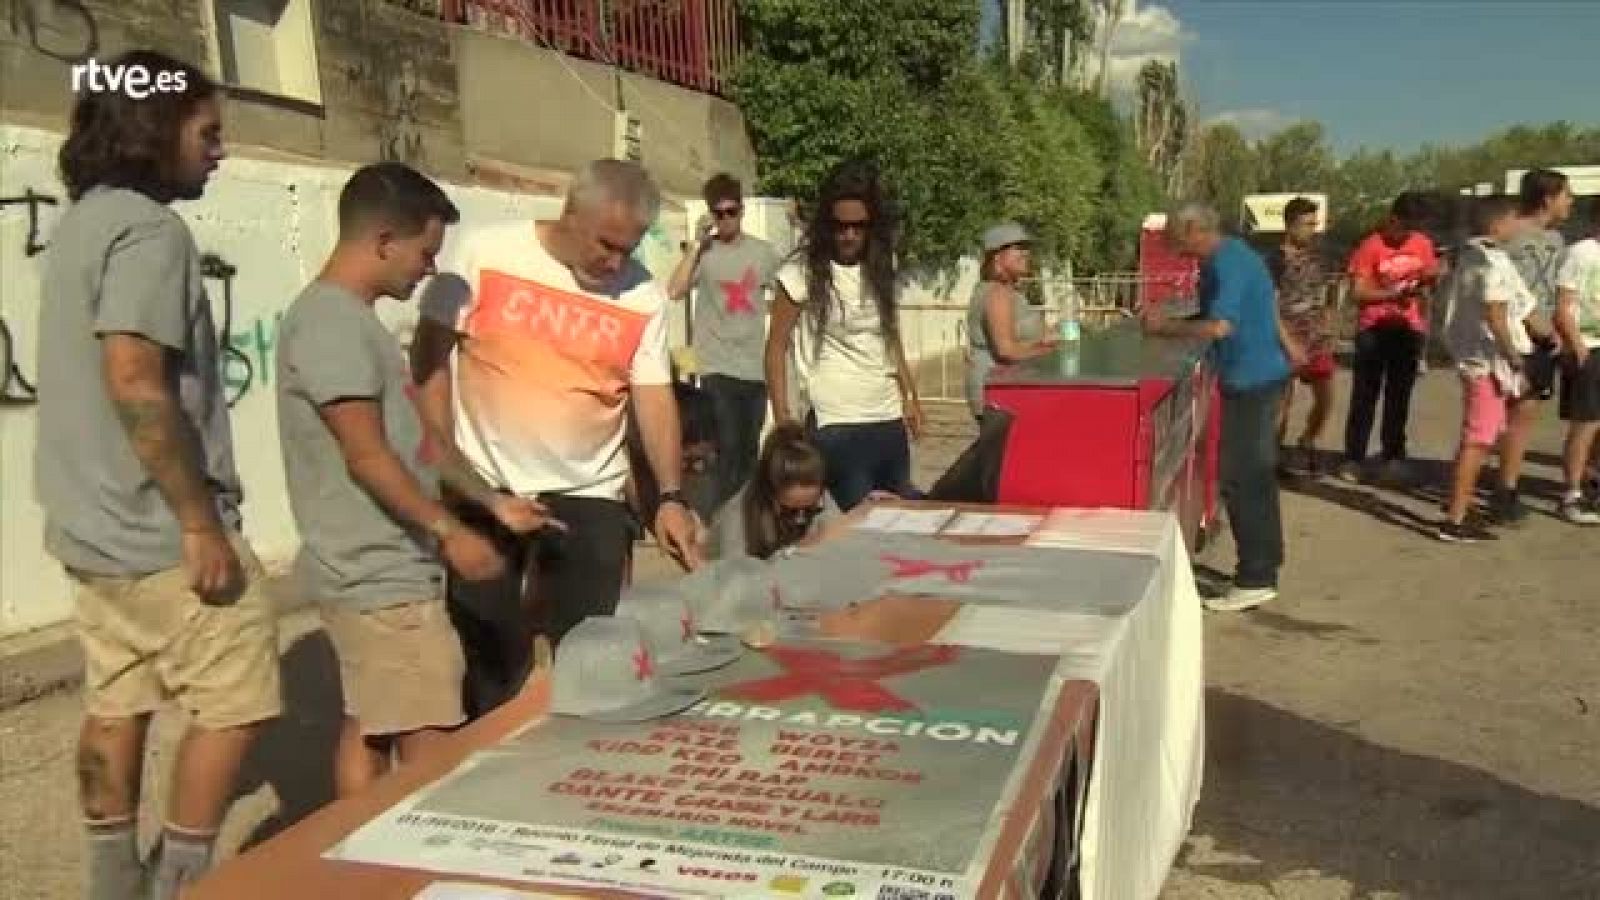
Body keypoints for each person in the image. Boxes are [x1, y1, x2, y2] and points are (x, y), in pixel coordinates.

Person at [32, 50, 279, 899]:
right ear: (155, 127)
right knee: (239, 702)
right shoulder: (149, 229)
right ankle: (178, 883)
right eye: (208, 132)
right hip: (160, 532)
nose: (220, 150)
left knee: (119, 694)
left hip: (91, 527)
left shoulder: (83, 223)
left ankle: (113, 885)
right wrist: (200, 522)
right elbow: (135, 377)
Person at [275, 163, 540, 796]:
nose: (428, 270)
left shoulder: (355, 323)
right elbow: (366, 455)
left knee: (372, 722)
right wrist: (449, 533)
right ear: (384, 240)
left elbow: (417, 443)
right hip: (377, 571)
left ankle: (359, 867)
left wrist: (491, 503)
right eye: (424, 253)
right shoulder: (332, 325)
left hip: (383, 565)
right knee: (429, 746)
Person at [411, 159, 701, 719]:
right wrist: (443, 460)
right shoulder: (486, 254)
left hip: (590, 494)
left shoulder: (642, 296)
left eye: (630, 248)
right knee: (493, 659)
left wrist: (669, 496)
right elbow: (428, 357)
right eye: (606, 243)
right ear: (570, 212)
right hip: (488, 488)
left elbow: (655, 400)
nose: (616, 261)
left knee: (588, 657)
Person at [1143, 202, 1298, 612]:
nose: (1171, 246)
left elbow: (1220, 326)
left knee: (1244, 476)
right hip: (1251, 376)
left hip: (1252, 379)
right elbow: (1217, 316)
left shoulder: (1228, 263)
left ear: (1195, 228)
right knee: (1254, 476)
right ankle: (1263, 565)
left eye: (1175, 235)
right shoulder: (1224, 260)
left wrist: (1165, 328)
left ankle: (1256, 576)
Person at [765, 159, 926, 511]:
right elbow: (776, 346)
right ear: (827, 225)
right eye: (840, 226)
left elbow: (890, 334)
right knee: (860, 527)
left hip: (886, 418)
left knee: (898, 523)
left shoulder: (881, 266)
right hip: (836, 423)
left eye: (858, 226)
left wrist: (910, 397)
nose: (849, 235)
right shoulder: (800, 273)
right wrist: (782, 420)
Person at [667, 173, 782, 508]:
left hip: (754, 368)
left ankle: (742, 522)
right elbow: (674, 291)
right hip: (716, 367)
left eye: (732, 212)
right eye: (719, 214)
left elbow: (788, 292)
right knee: (726, 449)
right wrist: (696, 245)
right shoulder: (704, 254)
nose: (726, 220)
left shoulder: (763, 253)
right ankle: (720, 522)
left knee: (748, 453)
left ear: (742, 210)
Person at [1437, 195, 1539, 542]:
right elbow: (1495, 314)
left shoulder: (1471, 256)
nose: (1516, 226)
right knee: (1478, 440)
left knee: (1481, 436)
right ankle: (1455, 519)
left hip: (1479, 360)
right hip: (1487, 363)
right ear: (1498, 225)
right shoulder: (1488, 262)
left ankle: (1459, 507)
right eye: (1513, 220)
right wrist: (1513, 356)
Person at [1339, 192, 1439, 485]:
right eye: (1403, 226)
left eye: (1412, 228)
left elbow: (1429, 278)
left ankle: (1393, 455)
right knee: (1364, 396)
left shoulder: (1422, 244)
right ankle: (1354, 457)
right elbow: (1358, 294)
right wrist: (1394, 294)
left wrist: (1429, 282)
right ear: (1392, 218)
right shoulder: (1370, 247)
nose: (1407, 233)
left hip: (1408, 329)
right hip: (1373, 329)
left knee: (1399, 397)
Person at [1498, 169, 1575, 523]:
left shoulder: (1557, 241)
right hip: (1514, 337)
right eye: (1566, 195)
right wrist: (1531, 325)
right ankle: (1497, 488)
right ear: (1547, 198)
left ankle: (1507, 484)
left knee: (1525, 414)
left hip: (1545, 340)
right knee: (1498, 413)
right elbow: (1503, 289)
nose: (1570, 202)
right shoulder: (1510, 236)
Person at [1267, 196, 1338, 476]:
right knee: (1282, 402)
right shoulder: (1274, 261)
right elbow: (1269, 305)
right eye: (1307, 224)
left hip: (1316, 340)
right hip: (1284, 339)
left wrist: (1330, 323)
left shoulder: (1319, 258)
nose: (1312, 230)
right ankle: (1273, 456)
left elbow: (1332, 289)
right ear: (1289, 225)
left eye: (1315, 224)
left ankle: (1309, 440)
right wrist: (1286, 341)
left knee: (1326, 398)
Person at [703, 423, 844, 560]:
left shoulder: (818, 496)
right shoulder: (737, 520)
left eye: (810, 510)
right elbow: (736, 578)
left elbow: (841, 544)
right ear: (768, 491)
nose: (800, 519)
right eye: (790, 512)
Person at [965, 222, 1059, 420]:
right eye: (1018, 248)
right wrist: (1051, 352)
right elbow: (1006, 350)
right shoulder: (998, 293)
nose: (1026, 254)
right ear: (997, 256)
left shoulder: (1005, 291)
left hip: (1001, 390)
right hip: (997, 394)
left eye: (1026, 248)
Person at [1553, 212, 1600, 524]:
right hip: (1588, 346)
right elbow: (1563, 303)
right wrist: (1576, 344)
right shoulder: (1581, 253)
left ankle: (1593, 482)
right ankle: (1572, 494)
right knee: (1585, 423)